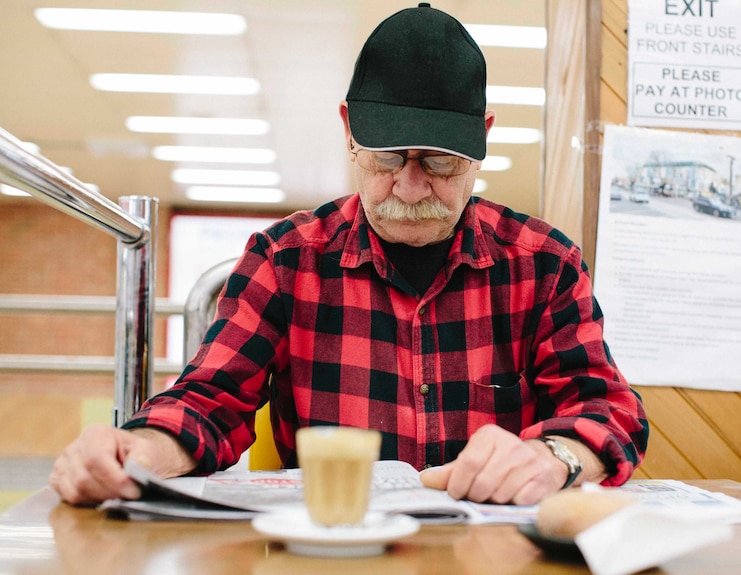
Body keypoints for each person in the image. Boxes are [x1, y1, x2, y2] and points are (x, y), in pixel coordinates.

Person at [50, 3, 648, 507]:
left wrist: (555, 459)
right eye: (388, 158)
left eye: (440, 163)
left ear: (482, 139)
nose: (412, 188)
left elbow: (608, 409)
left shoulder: (543, 264)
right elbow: (210, 401)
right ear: (348, 131)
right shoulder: (286, 260)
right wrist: (138, 452)